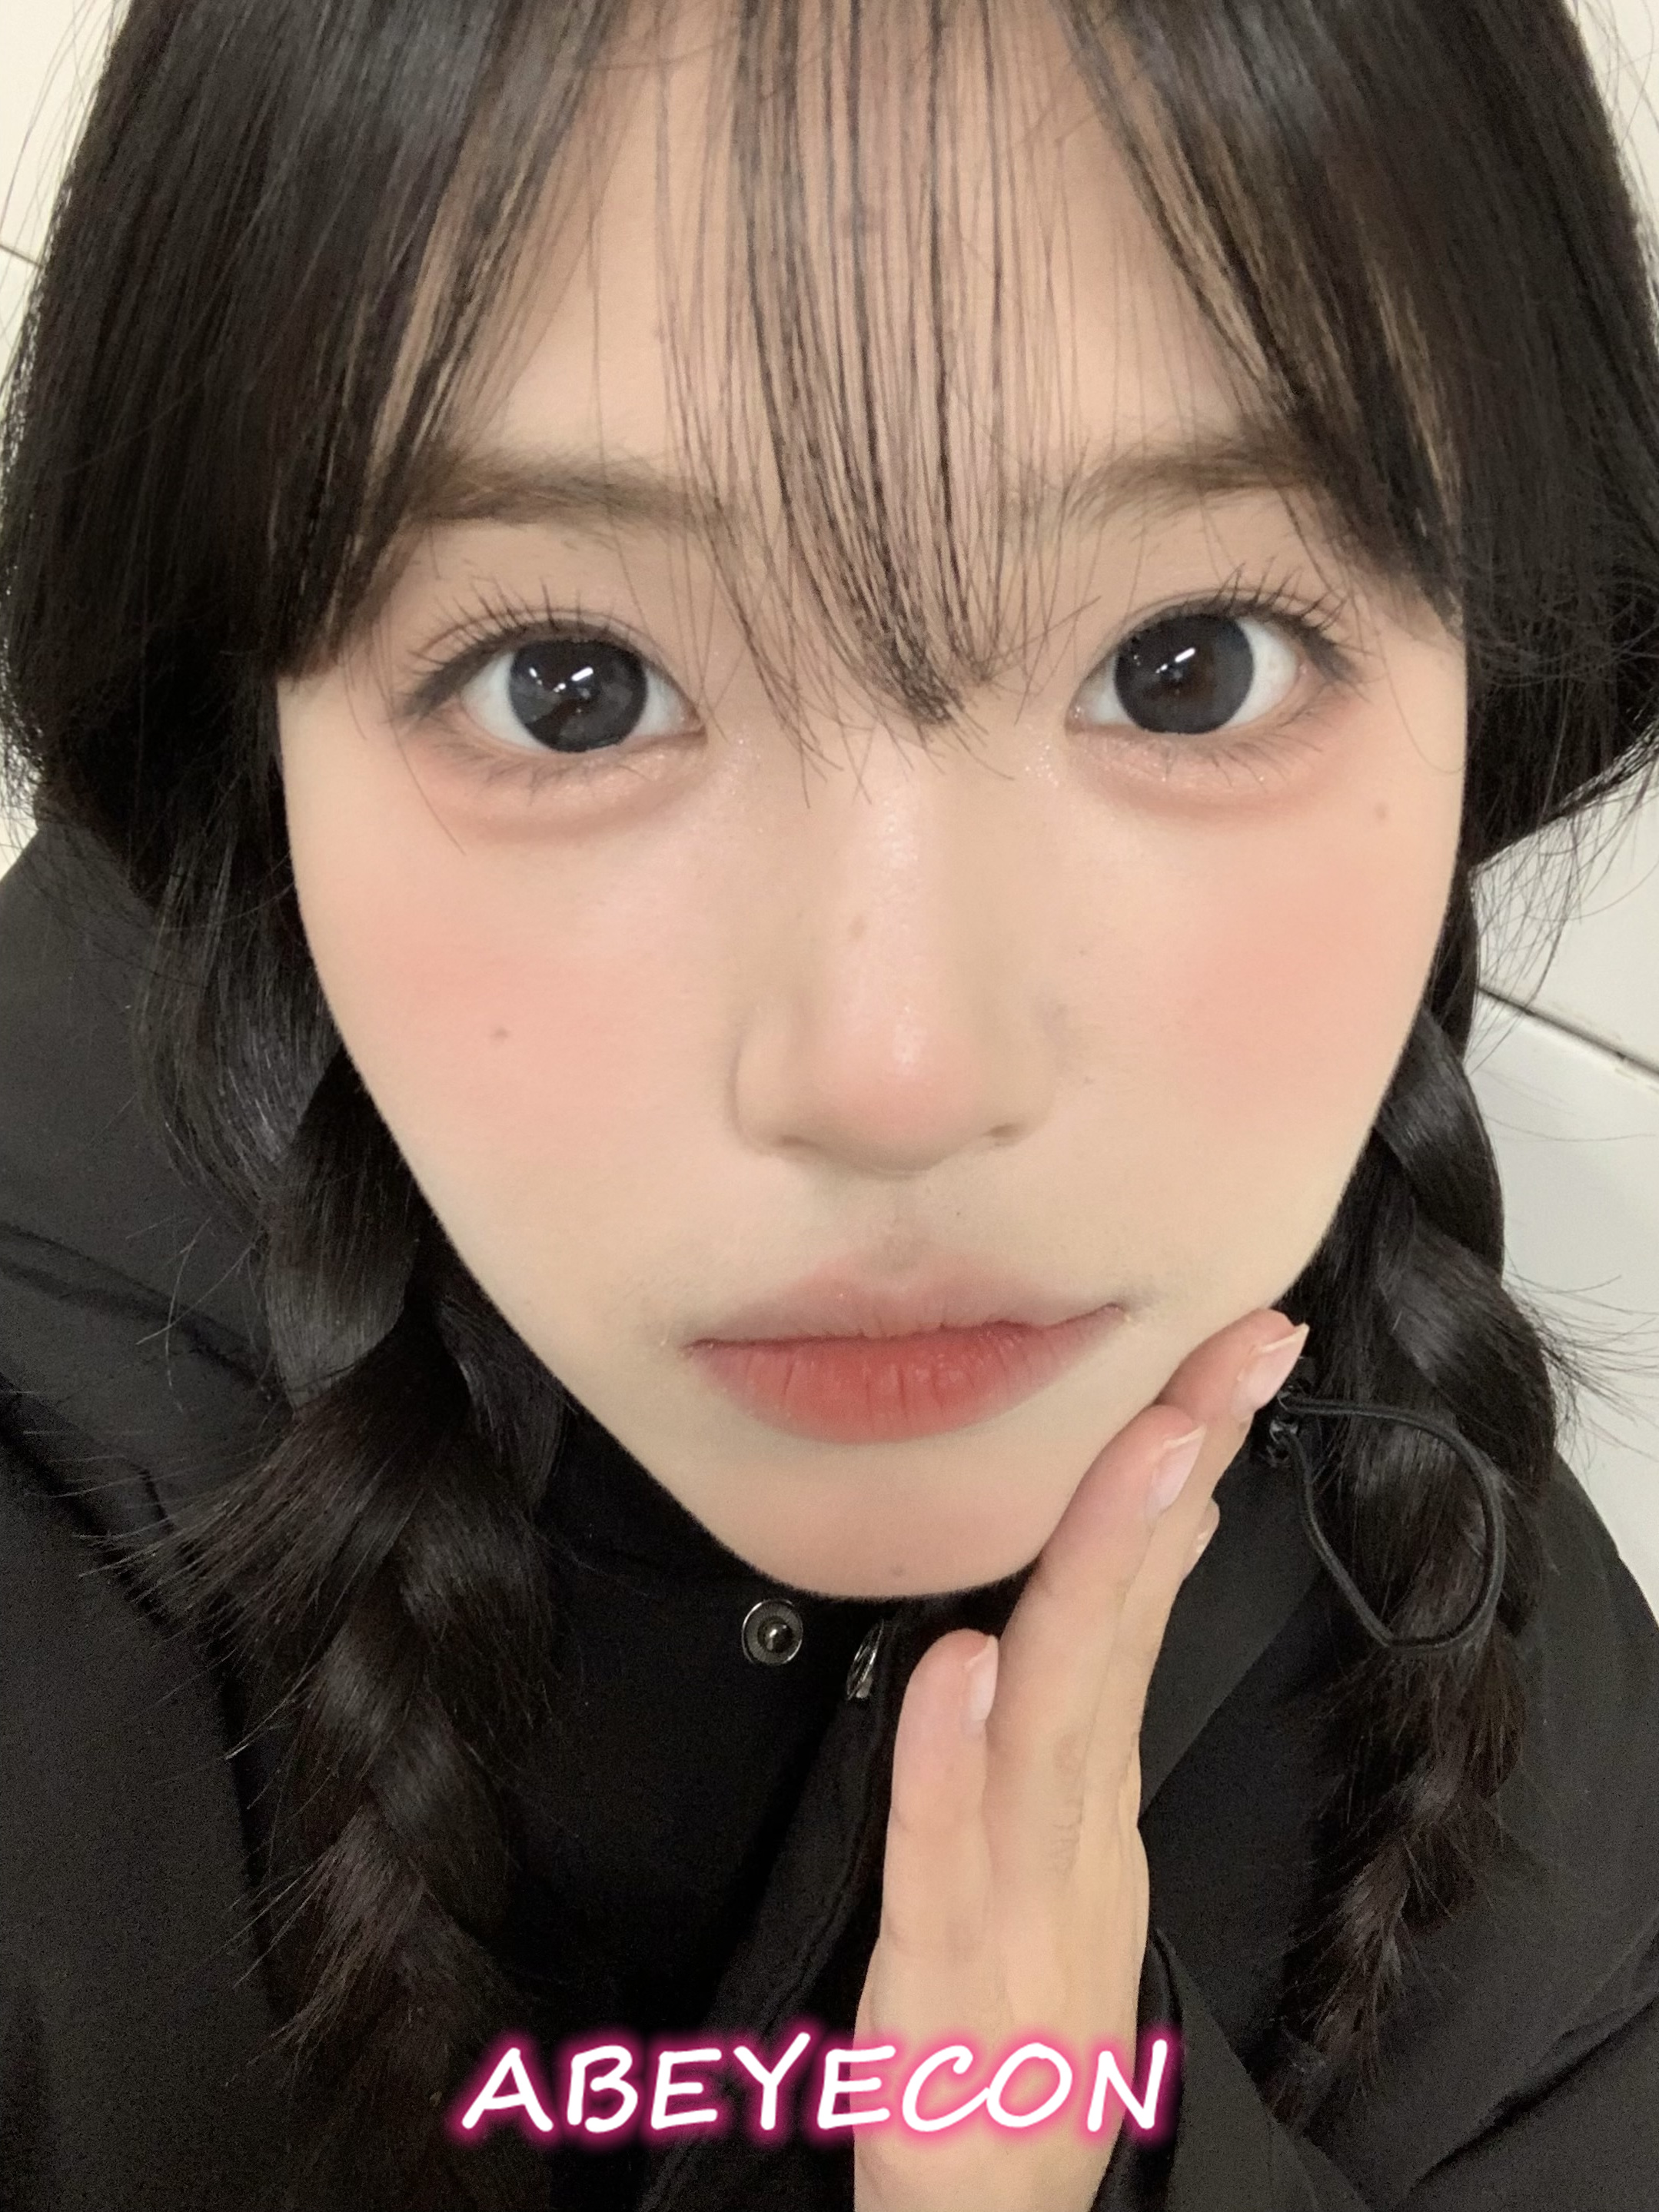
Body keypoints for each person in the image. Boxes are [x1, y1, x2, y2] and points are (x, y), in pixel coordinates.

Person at [2, 0, 1657, 2207]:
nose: (896, 1074)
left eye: (1185, 666)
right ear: (250, 736)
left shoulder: (1484, 1622)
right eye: (572, 688)